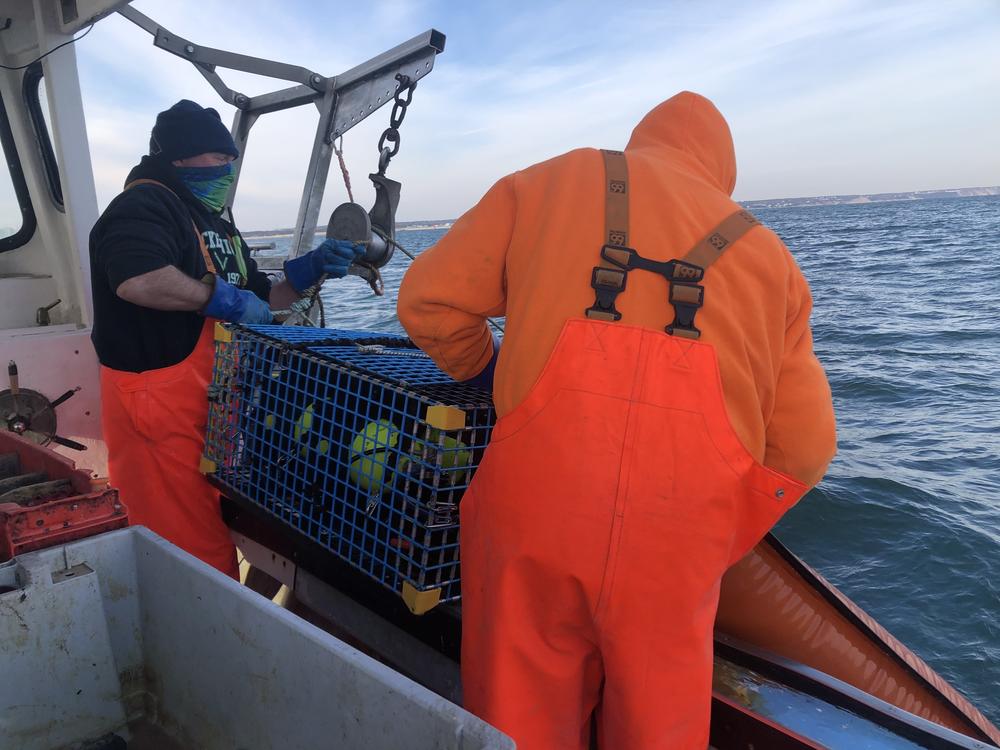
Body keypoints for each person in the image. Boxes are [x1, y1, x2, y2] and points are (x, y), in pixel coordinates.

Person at [397, 91, 837, 749]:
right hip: (675, 546)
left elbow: (427, 303)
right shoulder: (771, 259)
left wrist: (488, 373)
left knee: (518, 720)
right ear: (721, 170)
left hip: (532, 518)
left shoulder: (546, 183)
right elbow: (805, 447)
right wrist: (719, 531)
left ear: (641, 143)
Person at [90, 100, 361, 578]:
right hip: (159, 409)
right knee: (189, 557)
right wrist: (220, 300)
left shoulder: (217, 223)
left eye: (230, 159)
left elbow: (266, 296)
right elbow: (137, 278)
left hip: (214, 410)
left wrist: (309, 270)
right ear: (178, 158)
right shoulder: (145, 204)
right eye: (216, 159)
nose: (227, 169)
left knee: (216, 530)